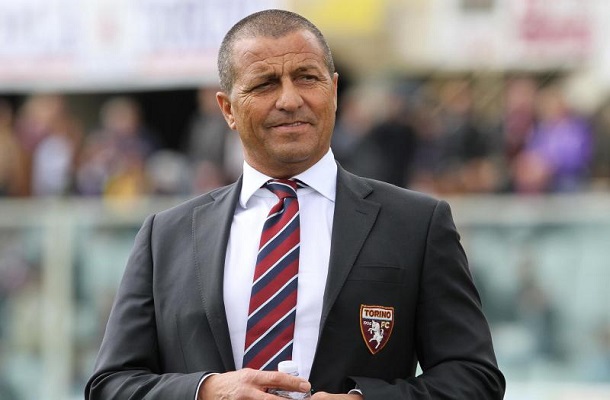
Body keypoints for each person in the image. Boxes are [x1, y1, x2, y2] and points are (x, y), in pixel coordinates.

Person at [86, 9, 505, 400]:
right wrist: (208, 390)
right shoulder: (166, 235)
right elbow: (111, 384)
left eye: (307, 77)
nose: (289, 99)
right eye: (265, 84)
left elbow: (474, 376)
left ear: (333, 91)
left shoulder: (416, 224)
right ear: (228, 109)